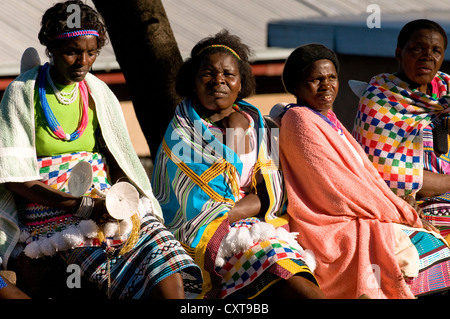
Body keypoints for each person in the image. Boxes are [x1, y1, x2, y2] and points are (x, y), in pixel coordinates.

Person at [0, 0, 201, 299]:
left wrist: (120, 201)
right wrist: (79, 205)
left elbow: (118, 158)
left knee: (156, 241)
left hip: (102, 203)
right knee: (93, 253)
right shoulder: (22, 93)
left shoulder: (98, 92)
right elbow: (14, 176)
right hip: (50, 212)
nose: (83, 60)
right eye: (72, 52)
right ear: (51, 49)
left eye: (91, 52)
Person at [151, 30, 324, 299]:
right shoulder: (181, 133)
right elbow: (182, 205)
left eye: (228, 74)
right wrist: (220, 219)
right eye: (207, 74)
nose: (218, 81)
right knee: (275, 261)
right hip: (202, 233)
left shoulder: (264, 128)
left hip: (257, 224)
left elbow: (273, 195)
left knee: (283, 262)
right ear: (193, 82)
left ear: (241, 83)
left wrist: (230, 214)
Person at [278, 43, 450, 298]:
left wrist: (398, 207)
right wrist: (403, 213)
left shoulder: (330, 120)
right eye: (316, 79)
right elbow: (341, 191)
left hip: (375, 208)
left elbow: (366, 179)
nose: (326, 85)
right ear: (295, 85)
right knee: (432, 249)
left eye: (332, 77)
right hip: (332, 223)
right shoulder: (299, 120)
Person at [352, 19, 450, 236]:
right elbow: (384, 173)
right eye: (418, 48)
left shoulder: (446, 93)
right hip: (406, 203)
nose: (428, 56)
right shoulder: (380, 99)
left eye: (436, 51)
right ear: (399, 53)